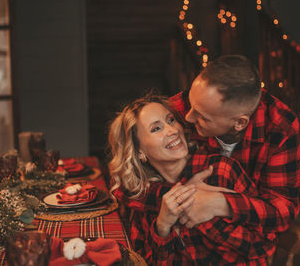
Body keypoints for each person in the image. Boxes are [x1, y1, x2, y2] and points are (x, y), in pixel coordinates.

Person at [113, 55, 300, 264]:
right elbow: (126, 176)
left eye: (203, 116)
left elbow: (281, 212)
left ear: (239, 123)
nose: (186, 118)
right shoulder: (188, 105)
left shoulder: (278, 128)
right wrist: (181, 198)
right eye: (190, 106)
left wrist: (220, 203)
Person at [109, 95, 269, 265]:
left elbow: (262, 246)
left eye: (170, 120)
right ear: (140, 152)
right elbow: (143, 262)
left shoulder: (221, 171)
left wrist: (208, 213)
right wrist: (162, 226)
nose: (172, 131)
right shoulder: (144, 197)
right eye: (156, 129)